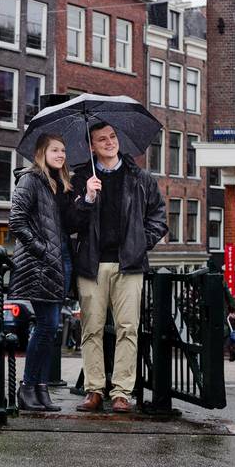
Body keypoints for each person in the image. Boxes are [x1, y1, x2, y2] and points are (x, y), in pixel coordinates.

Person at [72, 122, 168, 413]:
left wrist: (140, 244)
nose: (109, 142)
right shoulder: (80, 179)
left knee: (128, 328)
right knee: (92, 328)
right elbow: (70, 223)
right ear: (92, 146)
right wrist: (87, 198)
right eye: (102, 139)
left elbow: (159, 219)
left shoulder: (141, 178)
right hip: (91, 264)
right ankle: (94, 390)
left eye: (112, 137)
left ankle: (122, 393)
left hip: (129, 264)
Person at [8, 133, 96, 412]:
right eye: (54, 150)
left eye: (63, 150)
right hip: (41, 263)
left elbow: (70, 224)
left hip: (61, 262)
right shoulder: (30, 180)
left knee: (51, 327)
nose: (60, 154)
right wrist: (42, 250)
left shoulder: (61, 184)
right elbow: (16, 221)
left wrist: (88, 199)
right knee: (46, 326)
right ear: (41, 152)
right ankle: (28, 388)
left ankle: (40, 389)